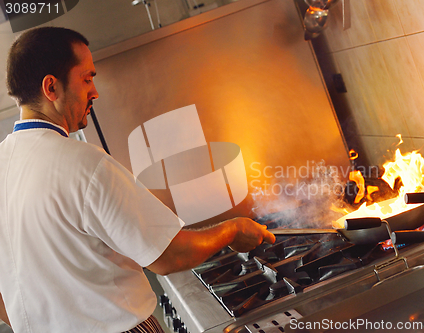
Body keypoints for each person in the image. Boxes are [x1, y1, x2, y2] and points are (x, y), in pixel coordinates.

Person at [0, 27, 275, 332]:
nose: (95, 91)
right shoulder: (84, 164)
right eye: (87, 79)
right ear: (51, 88)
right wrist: (232, 229)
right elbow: (169, 255)